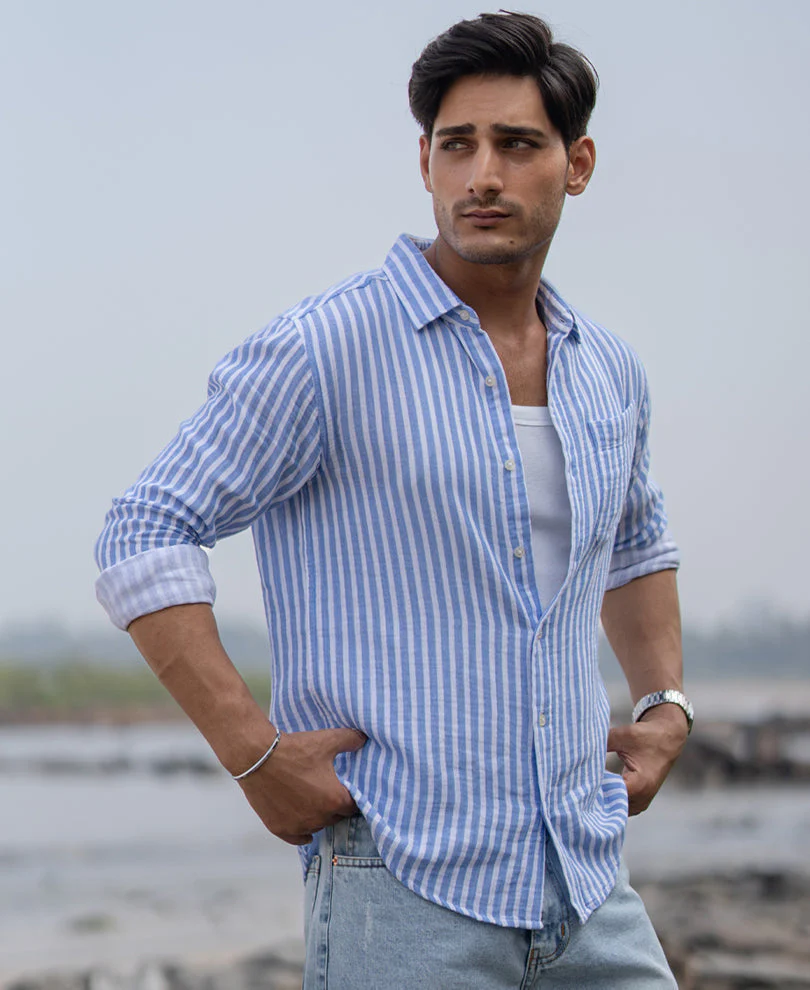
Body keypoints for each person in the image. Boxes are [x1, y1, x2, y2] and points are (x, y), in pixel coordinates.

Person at [95, 11, 692, 988]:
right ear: (424, 162)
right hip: (401, 887)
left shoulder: (607, 370)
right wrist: (253, 756)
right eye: (457, 145)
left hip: (587, 883)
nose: (483, 175)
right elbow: (143, 533)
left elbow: (636, 543)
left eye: (517, 144)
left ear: (577, 164)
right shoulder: (326, 349)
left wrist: (664, 707)